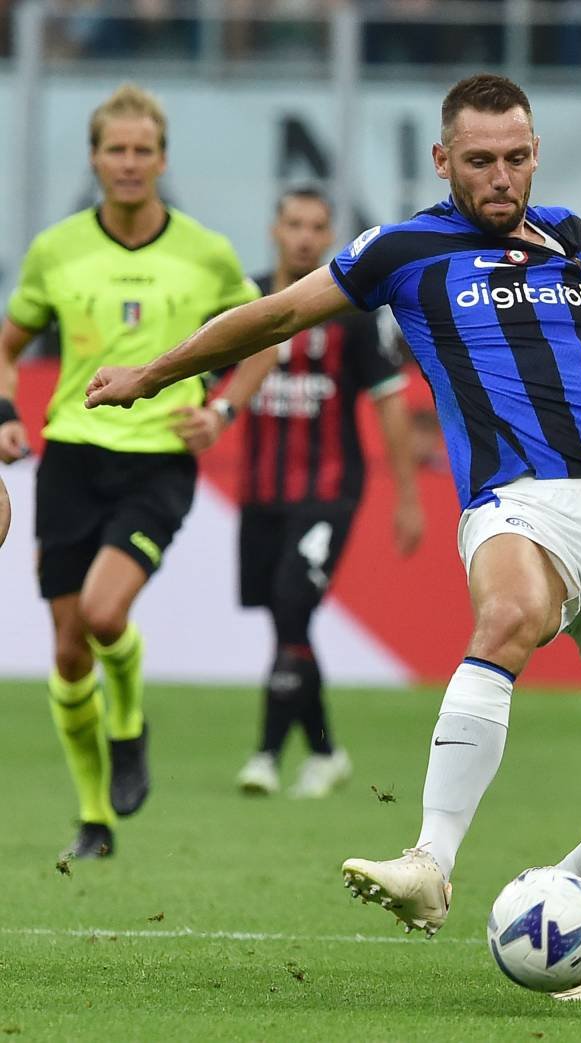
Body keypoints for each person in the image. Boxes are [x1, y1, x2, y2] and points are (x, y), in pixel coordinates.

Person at [85, 73, 581, 1003]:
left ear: (535, 152)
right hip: (514, 498)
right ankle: (430, 860)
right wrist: (157, 374)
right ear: (445, 161)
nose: (502, 177)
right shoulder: (401, 250)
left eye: (517, 157)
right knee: (512, 614)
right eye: (480, 161)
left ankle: (560, 900)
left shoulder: (566, 236)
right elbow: (274, 314)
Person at [0, 83, 262, 860]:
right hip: (71, 457)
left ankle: (129, 728)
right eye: (115, 149)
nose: (128, 163)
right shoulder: (57, 249)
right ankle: (93, 819)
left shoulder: (206, 253)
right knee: (69, 650)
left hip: (157, 459)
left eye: (142, 150)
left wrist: (221, 411)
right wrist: (6, 415)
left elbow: (264, 339)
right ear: (94, 158)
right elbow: (8, 346)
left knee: (105, 616)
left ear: (162, 158)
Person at [221, 185, 424, 799]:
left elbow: (390, 405)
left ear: (329, 237)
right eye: (294, 225)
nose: (305, 237)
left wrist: (408, 496)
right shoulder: (244, 302)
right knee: (289, 623)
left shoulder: (349, 314)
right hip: (259, 492)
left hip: (329, 492)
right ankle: (326, 751)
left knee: (290, 606)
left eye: (317, 227)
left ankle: (263, 756)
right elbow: (206, 377)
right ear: (274, 230)